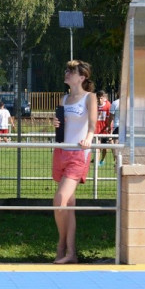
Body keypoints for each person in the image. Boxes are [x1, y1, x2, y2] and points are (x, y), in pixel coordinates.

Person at [51, 60, 97, 264]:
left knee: (59, 200)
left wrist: (89, 138)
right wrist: (56, 123)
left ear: (82, 77)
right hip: (62, 151)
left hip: (78, 154)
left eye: (71, 72)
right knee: (68, 204)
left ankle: (61, 246)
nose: (67, 74)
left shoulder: (90, 97)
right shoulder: (64, 98)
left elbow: (93, 125)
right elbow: (62, 127)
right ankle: (71, 253)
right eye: (66, 70)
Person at [94, 90, 112, 166]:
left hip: (105, 129)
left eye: (101, 98)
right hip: (97, 129)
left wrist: (109, 127)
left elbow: (110, 118)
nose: (99, 100)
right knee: (97, 146)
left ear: (104, 98)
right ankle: (97, 162)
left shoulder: (108, 105)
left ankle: (102, 160)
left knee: (105, 147)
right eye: (98, 98)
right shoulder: (94, 105)